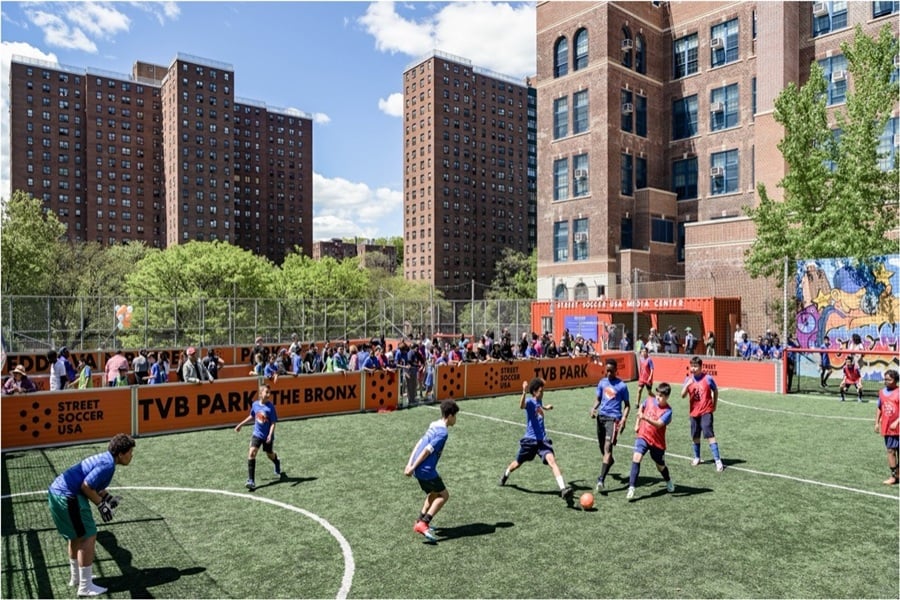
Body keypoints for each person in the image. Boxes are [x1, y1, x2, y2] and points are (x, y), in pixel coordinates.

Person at [47, 433, 135, 597]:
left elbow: (95, 485)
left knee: (75, 536)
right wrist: (102, 506)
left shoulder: (105, 459)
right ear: (121, 454)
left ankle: (77, 578)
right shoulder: (108, 465)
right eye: (130, 452)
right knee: (89, 535)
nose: (132, 455)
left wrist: (108, 499)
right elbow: (86, 486)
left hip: (56, 493)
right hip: (68, 497)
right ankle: (85, 587)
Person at [499, 379, 575, 504]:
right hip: (530, 441)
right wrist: (523, 392)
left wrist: (546, 407)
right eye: (541, 391)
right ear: (534, 392)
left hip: (542, 441)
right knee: (517, 463)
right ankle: (505, 474)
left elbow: (539, 405)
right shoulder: (529, 401)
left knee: (552, 461)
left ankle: (563, 489)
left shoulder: (538, 400)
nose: (543, 392)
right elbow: (521, 406)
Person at [405, 399, 460, 542]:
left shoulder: (433, 425)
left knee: (433, 493)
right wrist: (412, 466)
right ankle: (424, 523)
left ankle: (419, 521)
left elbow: (419, 443)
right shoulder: (443, 433)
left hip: (419, 469)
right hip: (425, 470)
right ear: (450, 416)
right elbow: (427, 451)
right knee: (444, 495)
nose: (456, 419)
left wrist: (410, 464)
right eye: (455, 416)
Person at [627, 382, 676, 500]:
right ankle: (631, 488)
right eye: (657, 394)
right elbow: (641, 408)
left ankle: (668, 481)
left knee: (660, 466)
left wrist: (646, 418)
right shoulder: (649, 400)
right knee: (636, 457)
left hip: (657, 442)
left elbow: (659, 424)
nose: (658, 397)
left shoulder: (668, 411)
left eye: (661, 396)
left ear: (667, 397)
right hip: (643, 435)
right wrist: (637, 423)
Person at [234, 383, 284, 490]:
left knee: (269, 454)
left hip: (267, 437)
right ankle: (251, 480)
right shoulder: (255, 404)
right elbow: (252, 415)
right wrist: (240, 425)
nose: (268, 394)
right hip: (257, 434)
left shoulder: (270, 407)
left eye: (269, 392)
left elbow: (273, 423)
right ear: (261, 393)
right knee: (252, 453)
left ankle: (276, 461)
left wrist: (270, 435)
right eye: (266, 392)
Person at [591, 358, 630, 491]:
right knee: (602, 448)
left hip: (613, 420)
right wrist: (593, 408)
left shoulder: (622, 386)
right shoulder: (602, 383)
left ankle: (601, 480)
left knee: (607, 448)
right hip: (601, 418)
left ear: (616, 371)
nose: (608, 373)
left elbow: (627, 405)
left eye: (611, 371)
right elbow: (598, 399)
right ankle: (609, 461)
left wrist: (624, 419)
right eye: (607, 371)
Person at [681, 356, 724, 471]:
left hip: (706, 411)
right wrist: (687, 385)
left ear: (701, 367)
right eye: (692, 366)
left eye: (696, 366)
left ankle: (718, 460)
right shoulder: (688, 380)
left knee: (709, 434)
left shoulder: (708, 378)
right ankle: (697, 457)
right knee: (695, 435)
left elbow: (715, 390)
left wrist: (714, 405)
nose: (693, 369)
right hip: (694, 413)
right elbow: (682, 395)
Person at [875, 369, 899, 485]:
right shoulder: (882, 392)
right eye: (885, 379)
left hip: (898, 427)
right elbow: (879, 407)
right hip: (888, 427)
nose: (886, 381)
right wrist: (876, 422)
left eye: (889, 379)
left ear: (895, 380)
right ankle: (894, 476)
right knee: (890, 451)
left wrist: (898, 421)